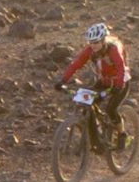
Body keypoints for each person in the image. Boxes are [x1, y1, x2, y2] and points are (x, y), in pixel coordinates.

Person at [55, 22, 133, 152]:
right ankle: (96, 141)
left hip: (121, 82)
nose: (93, 45)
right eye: (91, 42)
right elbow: (76, 64)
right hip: (103, 81)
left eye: (96, 42)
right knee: (87, 104)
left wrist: (119, 85)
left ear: (104, 40)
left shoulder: (114, 49)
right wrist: (63, 80)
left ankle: (122, 135)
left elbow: (120, 67)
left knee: (111, 109)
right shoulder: (90, 50)